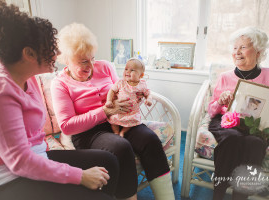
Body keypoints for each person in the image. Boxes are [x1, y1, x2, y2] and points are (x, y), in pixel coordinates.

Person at [0, 1, 120, 200]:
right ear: (29, 54)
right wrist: (80, 176)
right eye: (51, 48)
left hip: (37, 156)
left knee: (108, 162)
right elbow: (21, 162)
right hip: (7, 175)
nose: (58, 54)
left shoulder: (27, 75)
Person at [50, 23, 175, 200]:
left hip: (120, 120)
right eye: (83, 61)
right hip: (88, 133)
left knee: (149, 139)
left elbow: (121, 90)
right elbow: (67, 126)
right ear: (67, 60)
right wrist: (105, 111)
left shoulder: (105, 66)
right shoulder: (60, 83)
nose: (91, 65)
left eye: (92, 58)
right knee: (121, 147)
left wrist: (134, 96)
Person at [208, 26, 269, 200]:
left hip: (257, 127)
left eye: (243, 47)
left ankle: (240, 195)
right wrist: (220, 101)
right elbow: (212, 110)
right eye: (235, 48)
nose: (237, 52)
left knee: (255, 144)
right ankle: (219, 192)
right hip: (226, 123)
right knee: (232, 138)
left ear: (258, 52)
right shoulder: (225, 77)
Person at [106, 58, 152, 137]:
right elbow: (112, 91)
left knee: (133, 120)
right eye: (126, 69)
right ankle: (116, 133)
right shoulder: (121, 82)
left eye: (132, 70)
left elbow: (148, 93)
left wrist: (149, 99)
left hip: (132, 111)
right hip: (119, 110)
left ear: (141, 75)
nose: (127, 71)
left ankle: (123, 132)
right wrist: (109, 101)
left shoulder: (142, 85)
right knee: (113, 120)